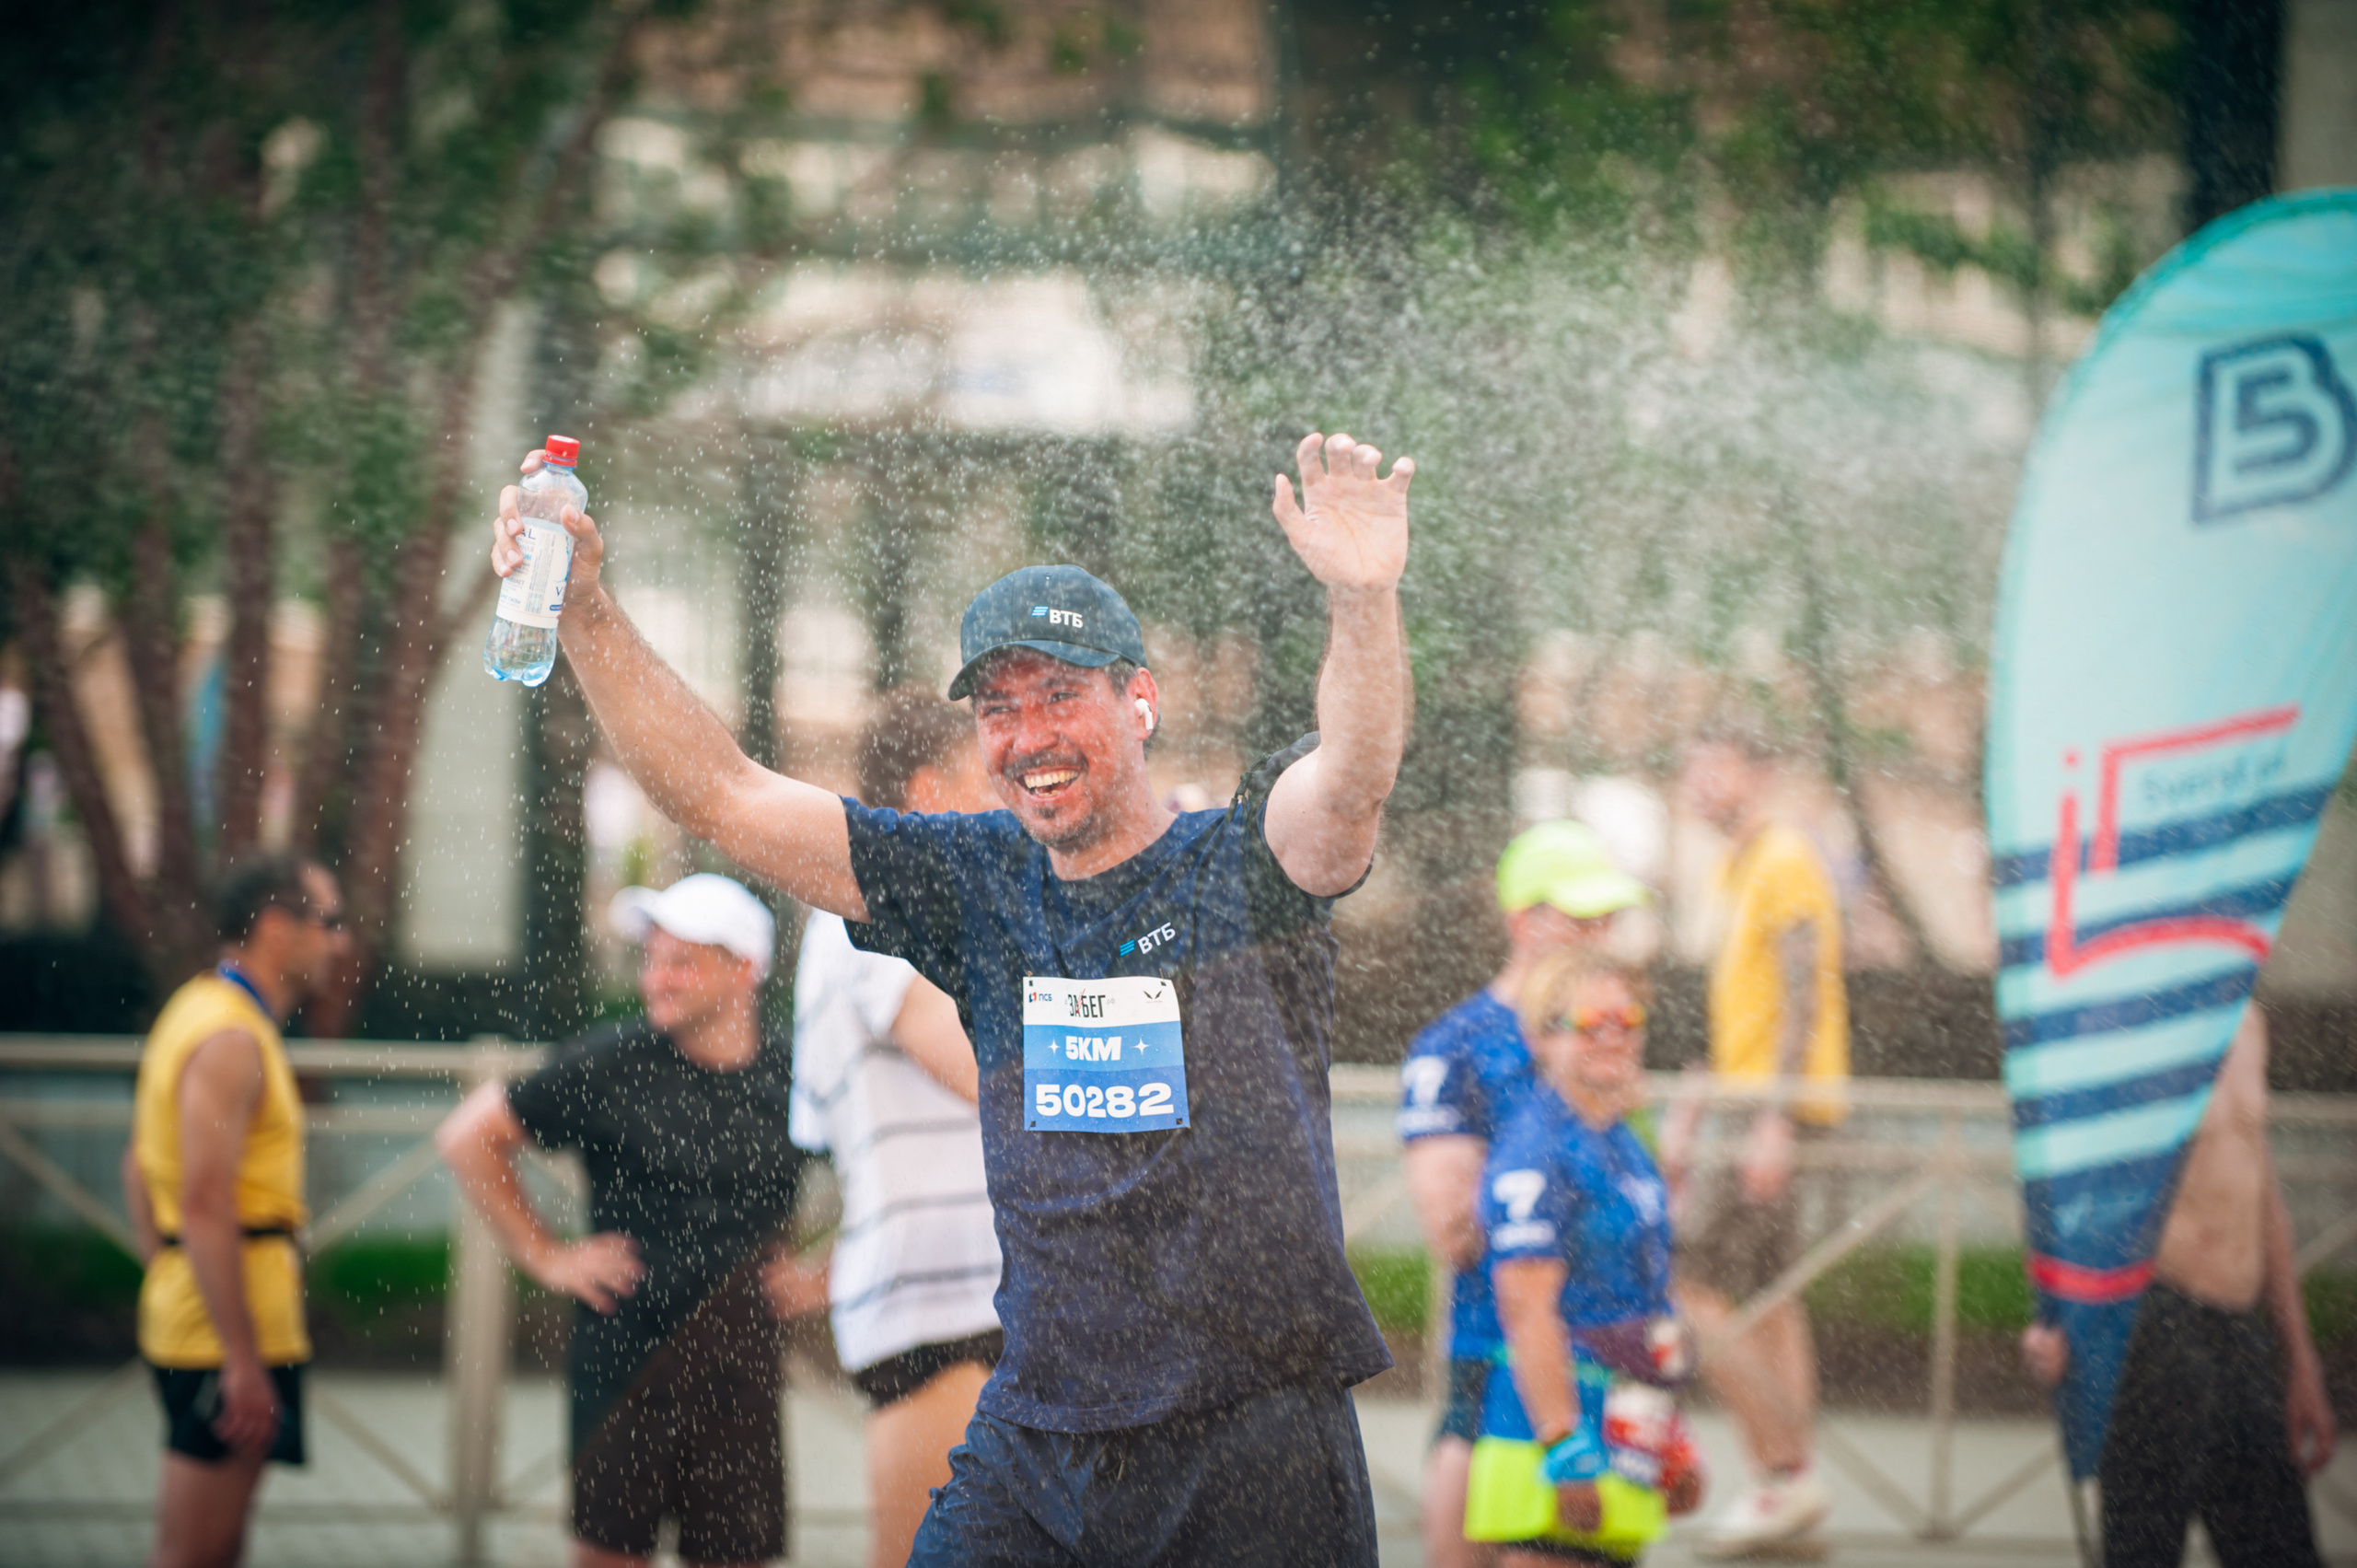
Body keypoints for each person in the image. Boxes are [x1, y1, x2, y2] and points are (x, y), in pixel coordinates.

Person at [489, 430, 1413, 1565]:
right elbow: (726, 796)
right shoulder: (976, 880)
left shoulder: (1240, 864)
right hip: (1036, 1434)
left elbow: (1354, 777)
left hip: (1250, 1435)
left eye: (1060, 695)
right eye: (997, 710)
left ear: (1140, 701)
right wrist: (582, 607)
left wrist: (1363, 602)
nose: (1028, 738)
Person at [435, 874, 808, 1568]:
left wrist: (831, 1274)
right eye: (652, 958)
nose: (657, 978)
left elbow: (883, 1156)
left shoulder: (799, 1071)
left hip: (741, 1367)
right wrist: (547, 1255)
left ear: (746, 969)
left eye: (682, 961)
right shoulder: (613, 1061)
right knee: (607, 1554)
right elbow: (468, 1135)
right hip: (624, 1359)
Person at [786, 686, 1005, 1568]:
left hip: (960, 1289)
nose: (1015, 797)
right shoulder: (870, 913)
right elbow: (991, 1077)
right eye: (990, 777)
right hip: (941, 1301)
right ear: (929, 792)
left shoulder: (903, 916)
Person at [1399, 821, 1654, 1568]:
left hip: (1611, 1351)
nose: (1599, 936)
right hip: (1496, 1349)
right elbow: (1453, 1228)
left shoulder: (1600, 1033)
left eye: (1607, 918)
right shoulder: (1459, 1045)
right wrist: (1548, 1162)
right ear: (1522, 921)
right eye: (1580, 917)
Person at [2020, 1004, 2336, 1568]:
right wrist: (2059, 1321)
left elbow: (2262, 1195)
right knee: (2145, 1548)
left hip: (2238, 1328)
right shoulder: (2130, 1008)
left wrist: (2301, 1358)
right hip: (2152, 1320)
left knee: (2279, 1547)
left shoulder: (2248, 1020)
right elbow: (2064, 1177)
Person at [122, 854, 350, 1568]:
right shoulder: (230, 1038)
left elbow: (139, 1166)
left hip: (215, 1315)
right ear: (279, 930)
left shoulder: (206, 1011)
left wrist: (169, 1270)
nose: (339, 943)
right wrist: (241, 1359)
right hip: (226, 1333)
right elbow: (203, 1199)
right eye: (329, 921)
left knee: (215, 1548)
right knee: (195, 1551)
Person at [1659, 727, 1848, 1558]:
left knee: (1692, 1289)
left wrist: (1772, 1117)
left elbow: (1803, 989)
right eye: (1690, 769)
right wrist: (1697, 1102)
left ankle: (1786, 1471)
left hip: (1775, 1112)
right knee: (1769, 1301)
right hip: (1749, 1105)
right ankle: (1786, 1481)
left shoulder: (1783, 858)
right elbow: (1740, 1007)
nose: (1699, 783)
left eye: (1715, 765)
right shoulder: (1734, 867)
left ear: (1759, 772)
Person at [1472, 948, 1704, 1566]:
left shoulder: (1625, 1139)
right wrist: (1562, 1440)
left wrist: (1669, 1432)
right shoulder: (1538, 1148)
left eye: (1626, 1020)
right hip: (1548, 1436)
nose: (1613, 1037)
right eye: (1590, 1022)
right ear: (1541, 1038)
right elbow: (1527, 1308)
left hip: (1627, 1433)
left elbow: (1645, 1298)